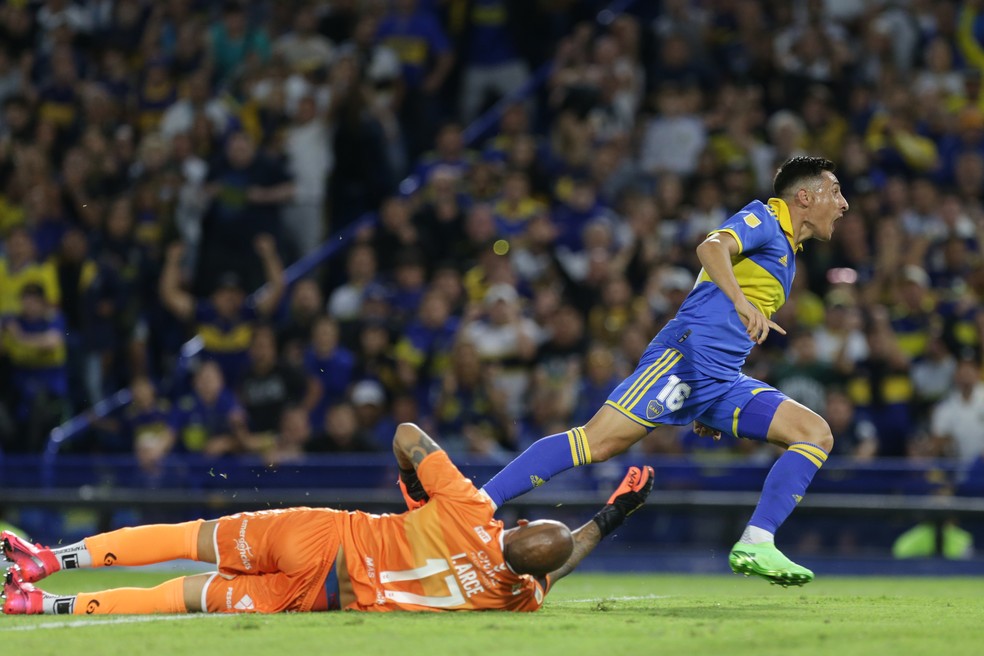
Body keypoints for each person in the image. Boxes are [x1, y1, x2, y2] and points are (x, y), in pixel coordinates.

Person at [482, 156, 850, 586]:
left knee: (814, 433)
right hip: (685, 358)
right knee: (597, 442)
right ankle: (477, 503)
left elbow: (719, 313)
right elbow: (710, 247)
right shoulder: (767, 216)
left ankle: (757, 540)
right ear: (805, 197)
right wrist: (740, 301)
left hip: (719, 377)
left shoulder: (787, 249)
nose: (843, 204)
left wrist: (705, 399)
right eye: (836, 191)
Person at [1, 423, 654, 615]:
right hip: (320, 597)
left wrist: (413, 491)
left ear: (515, 528)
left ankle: (45, 562)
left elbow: (407, 435)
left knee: (187, 539)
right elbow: (559, 563)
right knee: (187, 597)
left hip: (325, 535)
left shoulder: (473, 509)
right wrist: (612, 516)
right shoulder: (511, 597)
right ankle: (41, 609)